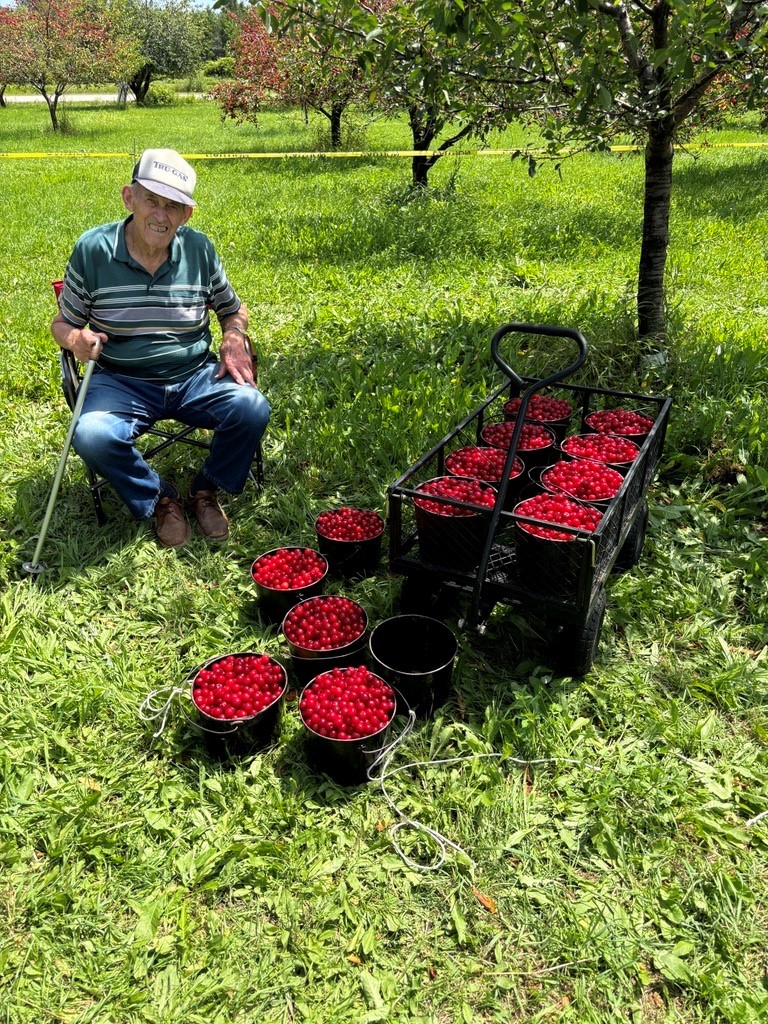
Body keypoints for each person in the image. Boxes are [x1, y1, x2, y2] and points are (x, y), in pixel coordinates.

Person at [51, 148, 270, 548]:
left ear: (187, 215)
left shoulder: (199, 249)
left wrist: (233, 337)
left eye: (173, 207)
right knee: (92, 435)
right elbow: (62, 323)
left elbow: (232, 310)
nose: (160, 215)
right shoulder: (92, 249)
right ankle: (161, 497)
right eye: (151, 200)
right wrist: (76, 340)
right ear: (128, 197)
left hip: (193, 374)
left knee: (251, 408)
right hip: (120, 380)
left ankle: (206, 489)